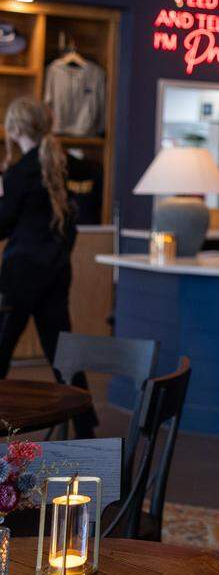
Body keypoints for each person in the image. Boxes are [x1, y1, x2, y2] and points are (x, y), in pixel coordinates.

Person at [0, 97, 96, 436]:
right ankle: (86, 429)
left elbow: (4, 225)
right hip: (56, 271)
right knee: (61, 351)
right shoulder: (63, 163)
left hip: (20, 273)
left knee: (1, 346)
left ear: (15, 129)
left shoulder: (18, 173)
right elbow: (92, 176)